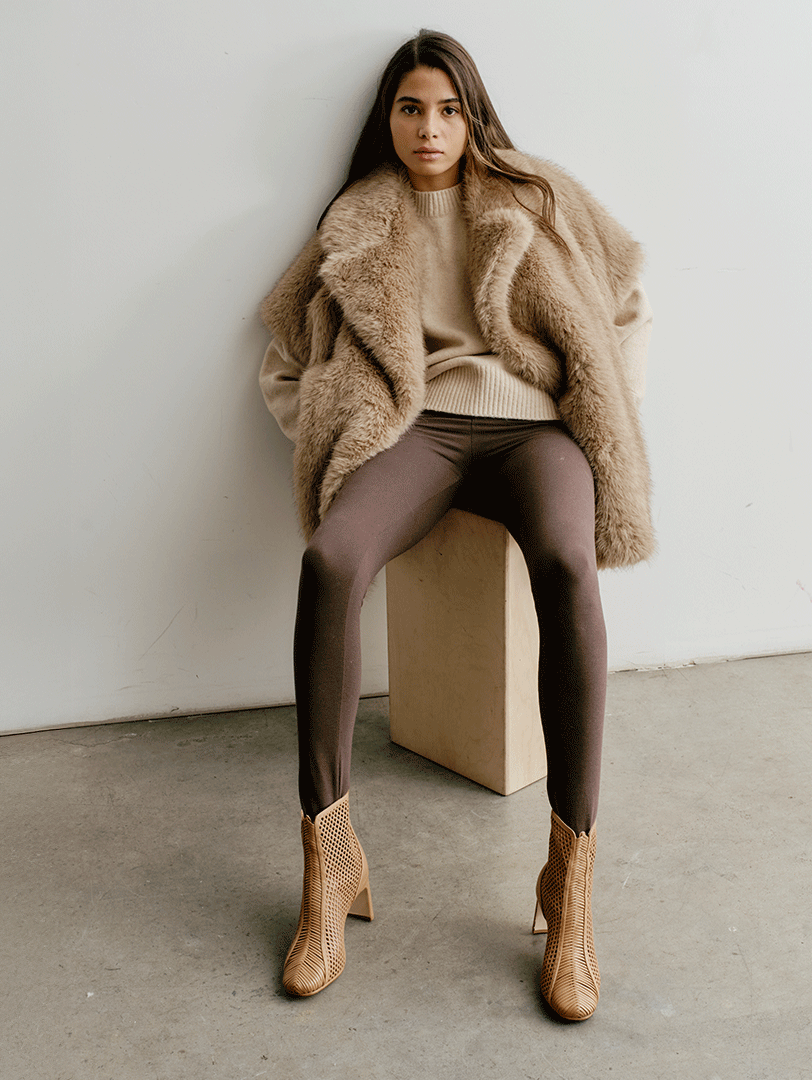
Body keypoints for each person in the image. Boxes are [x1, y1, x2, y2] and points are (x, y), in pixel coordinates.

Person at [259, 29, 653, 1021]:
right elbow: (285, 349)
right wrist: (329, 427)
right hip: (418, 429)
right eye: (410, 108)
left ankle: (569, 880)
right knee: (331, 561)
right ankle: (328, 863)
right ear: (387, 119)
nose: (429, 128)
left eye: (447, 109)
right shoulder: (358, 215)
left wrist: (610, 406)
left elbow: (627, 301)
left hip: (535, 430)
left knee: (568, 565)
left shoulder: (537, 193)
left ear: (473, 116)